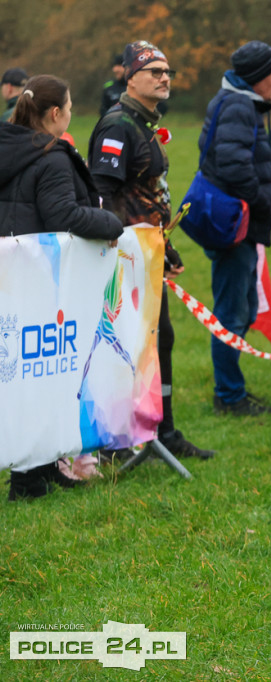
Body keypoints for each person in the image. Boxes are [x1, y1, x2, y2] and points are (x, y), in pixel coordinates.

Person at [88, 40, 214, 460]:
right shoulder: (118, 125)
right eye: (154, 71)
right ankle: (117, 440)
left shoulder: (143, 123)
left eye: (167, 72)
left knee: (160, 339)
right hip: (124, 257)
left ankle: (164, 430)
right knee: (127, 344)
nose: (164, 78)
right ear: (130, 77)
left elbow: (148, 195)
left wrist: (166, 245)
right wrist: (120, 251)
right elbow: (102, 194)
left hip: (148, 252)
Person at [0, 75, 123, 499]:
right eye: (69, 109)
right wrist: (111, 223)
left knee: (23, 374)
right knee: (43, 372)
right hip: (41, 280)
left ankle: (40, 466)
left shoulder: (7, 146)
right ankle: (27, 479)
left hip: (11, 276)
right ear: (55, 113)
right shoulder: (51, 156)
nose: (70, 115)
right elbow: (63, 215)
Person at [198, 40, 271, 416]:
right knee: (232, 314)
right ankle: (229, 397)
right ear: (258, 77)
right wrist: (263, 200)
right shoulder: (238, 105)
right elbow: (233, 165)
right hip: (234, 226)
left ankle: (232, 390)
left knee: (244, 310)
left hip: (240, 225)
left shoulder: (240, 102)